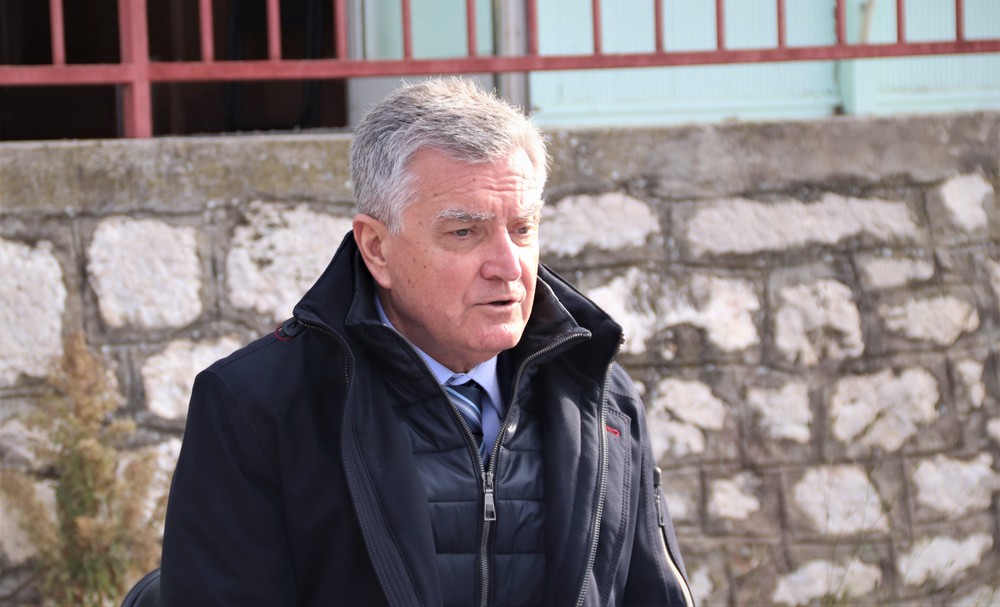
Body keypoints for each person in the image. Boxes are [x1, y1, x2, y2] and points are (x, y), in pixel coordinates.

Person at [159, 77, 692, 606]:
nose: (509, 266)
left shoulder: (602, 397)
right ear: (377, 248)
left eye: (522, 229)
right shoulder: (258, 407)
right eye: (464, 232)